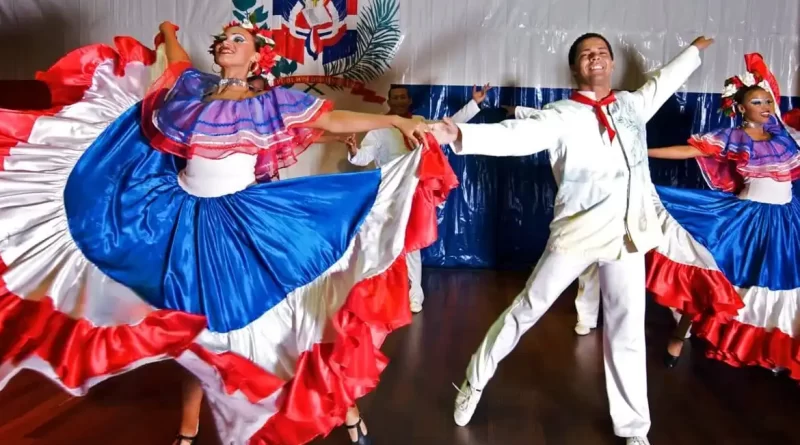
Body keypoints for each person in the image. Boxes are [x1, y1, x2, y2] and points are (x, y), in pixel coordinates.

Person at [0, 19, 458, 445]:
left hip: (240, 224)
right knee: (192, 329)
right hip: (177, 218)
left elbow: (331, 119)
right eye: (222, 38)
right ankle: (187, 430)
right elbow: (175, 61)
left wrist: (395, 120)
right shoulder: (192, 91)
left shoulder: (270, 102)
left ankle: (344, 406)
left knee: (286, 322)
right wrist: (167, 32)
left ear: (257, 57)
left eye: (238, 39)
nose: (225, 43)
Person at [430, 32, 714, 445]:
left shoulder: (632, 105)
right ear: (575, 68)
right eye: (585, 55)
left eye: (601, 53)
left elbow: (661, 82)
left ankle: (635, 429)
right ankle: (474, 381)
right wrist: (459, 135)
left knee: (626, 329)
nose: (594, 59)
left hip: (627, 235)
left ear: (611, 63)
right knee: (527, 309)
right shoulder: (560, 114)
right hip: (578, 233)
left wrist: (693, 52)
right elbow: (514, 136)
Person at [646, 53, 800, 378]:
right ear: (743, 109)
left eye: (768, 101)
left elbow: (771, 86)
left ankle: (775, 349)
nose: (766, 106)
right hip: (746, 220)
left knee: (783, 284)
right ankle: (679, 335)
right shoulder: (734, 137)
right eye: (757, 102)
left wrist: (760, 70)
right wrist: (641, 151)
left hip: (786, 221)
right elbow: (689, 150)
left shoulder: (781, 132)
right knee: (715, 279)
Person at [347, 83, 492, 313]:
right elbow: (363, 158)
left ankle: (415, 295)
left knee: (411, 245)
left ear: (408, 101)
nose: (399, 101)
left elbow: (448, 127)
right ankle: (381, 293)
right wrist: (354, 150)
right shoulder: (378, 128)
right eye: (395, 97)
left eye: (403, 97)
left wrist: (474, 103)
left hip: (414, 193)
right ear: (389, 101)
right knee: (382, 243)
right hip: (387, 194)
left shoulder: (419, 122)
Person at [509, 105, 604, 336]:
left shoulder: (621, 127)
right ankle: (586, 317)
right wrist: (516, 111)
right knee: (583, 264)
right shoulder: (572, 119)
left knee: (619, 269)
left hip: (612, 207)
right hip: (577, 208)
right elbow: (541, 116)